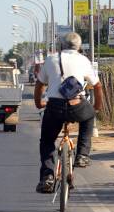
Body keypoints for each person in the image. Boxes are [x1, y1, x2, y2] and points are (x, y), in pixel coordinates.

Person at [34, 32, 103, 194]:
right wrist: (96, 108)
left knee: (47, 141)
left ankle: (48, 176)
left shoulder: (51, 59)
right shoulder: (83, 60)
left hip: (54, 108)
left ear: (61, 46)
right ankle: (82, 155)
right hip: (76, 105)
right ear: (78, 47)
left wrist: (39, 104)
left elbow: (39, 85)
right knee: (89, 115)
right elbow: (97, 86)